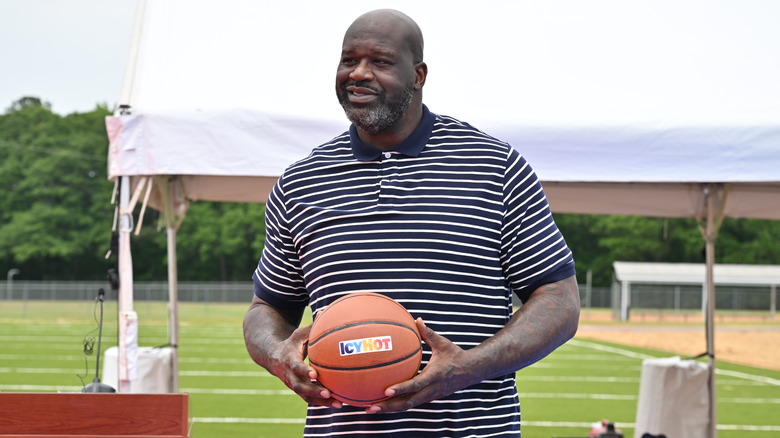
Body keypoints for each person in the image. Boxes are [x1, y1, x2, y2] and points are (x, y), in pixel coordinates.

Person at [243, 9, 580, 437]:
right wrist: (277, 354)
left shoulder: (494, 167)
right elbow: (268, 307)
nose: (358, 73)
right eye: (349, 60)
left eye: (380, 61)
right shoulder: (302, 181)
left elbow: (560, 301)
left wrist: (466, 368)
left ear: (418, 74)